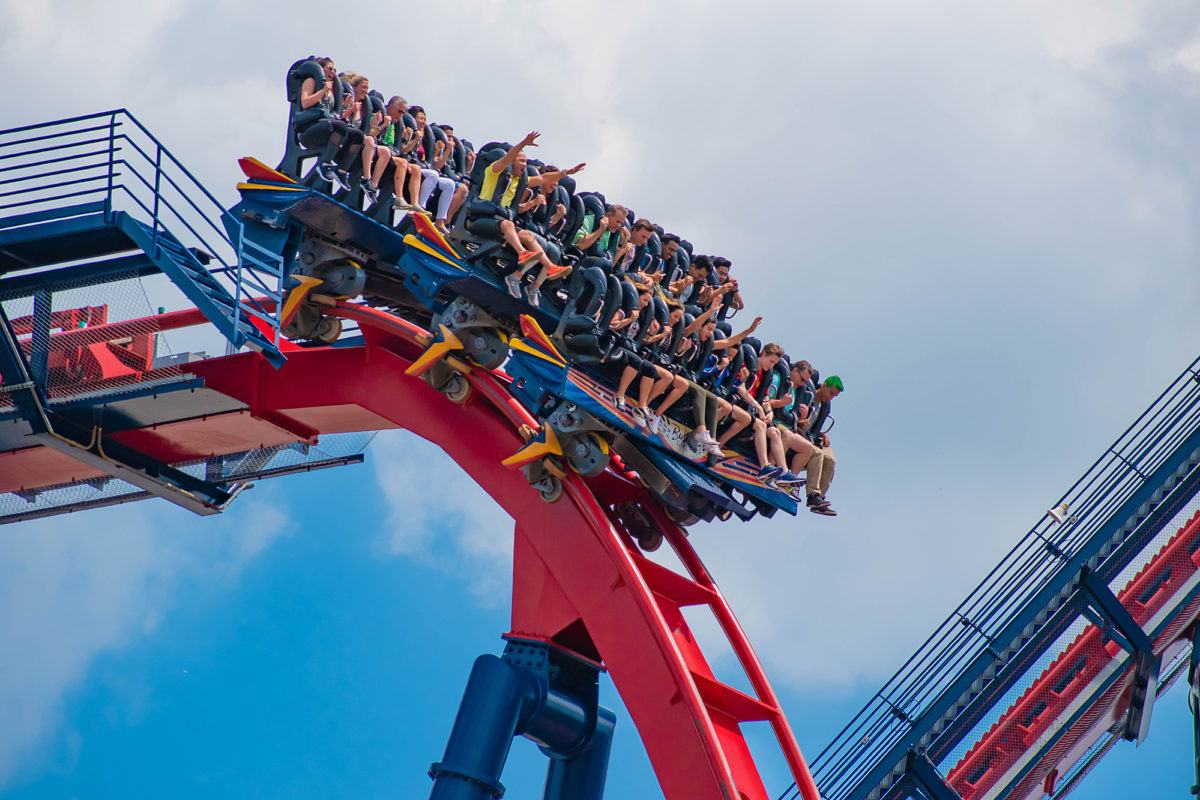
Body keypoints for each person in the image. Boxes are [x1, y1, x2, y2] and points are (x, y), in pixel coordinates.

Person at [295, 58, 362, 190]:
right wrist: (323, 91)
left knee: (358, 135)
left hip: (326, 126)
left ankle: (342, 171)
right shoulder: (311, 81)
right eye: (330, 68)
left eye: (334, 69)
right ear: (321, 69)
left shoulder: (333, 89)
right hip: (308, 130)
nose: (333, 71)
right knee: (340, 126)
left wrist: (349, 109)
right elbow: (305, 103)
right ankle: (324, 165)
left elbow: (334, 114)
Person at [802, 375, 844, 516]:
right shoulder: (808, 393)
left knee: (830, 458)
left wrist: (820, 435)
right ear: (824, 385)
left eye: (835, 396)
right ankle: (813, 494)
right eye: (831, 393)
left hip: (810, 438)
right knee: (818, 454)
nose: (831, 398)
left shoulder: (825, 406)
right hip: (797, 432)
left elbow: (813, 427)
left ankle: (819, 498)